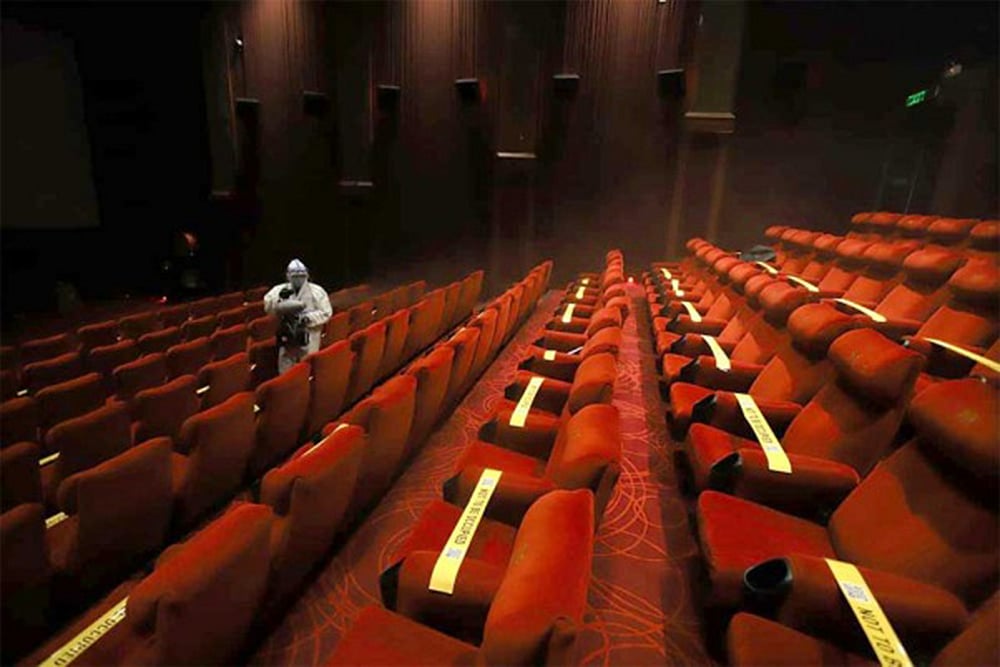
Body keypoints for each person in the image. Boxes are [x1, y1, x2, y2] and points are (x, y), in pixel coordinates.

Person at [263, 259, 332, 374]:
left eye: (301, 276)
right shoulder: (278, 291)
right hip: (287, 341)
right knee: (286, 374)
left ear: (307, 275)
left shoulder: (317, 291)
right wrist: (280, 302)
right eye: (295, 276)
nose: (298, 279)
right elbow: (268, 307)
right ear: (288, 276)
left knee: (306, 371)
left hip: (309, 339)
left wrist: (307, 318)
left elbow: (326, 313)